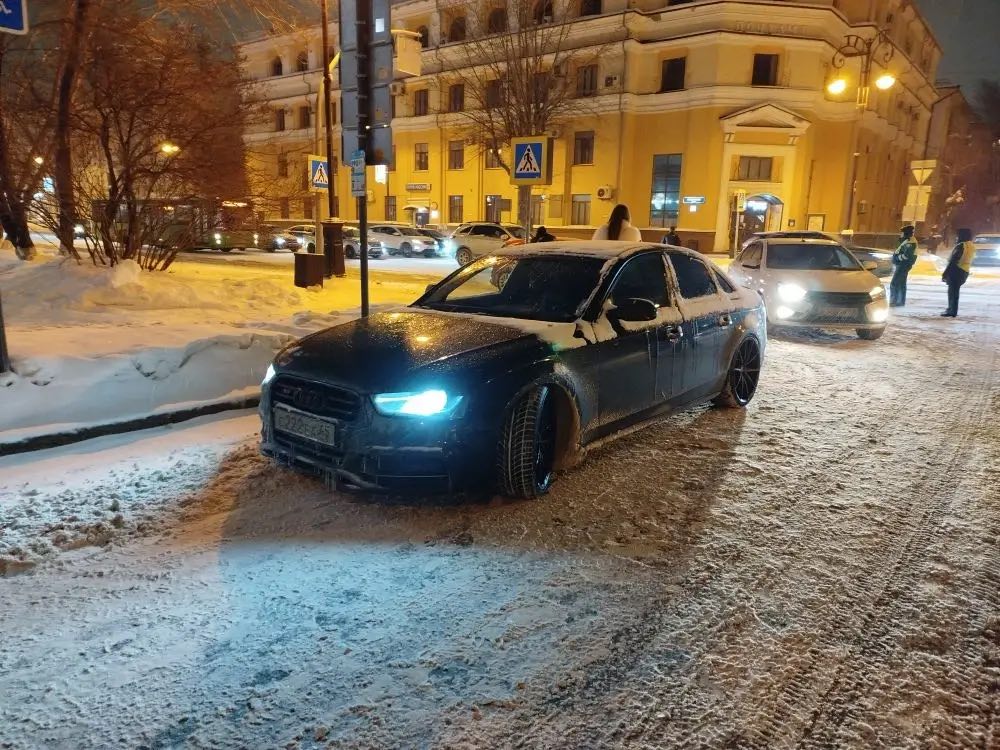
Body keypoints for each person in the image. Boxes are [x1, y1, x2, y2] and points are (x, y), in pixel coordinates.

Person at [941, 228, 977, 318]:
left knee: (952, 292)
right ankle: (952, 310)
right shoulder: (971, 245)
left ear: (962, 236)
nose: (957, 237)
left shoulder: (961, 246)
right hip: (965, 271)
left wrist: (945, 272)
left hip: (956, 270)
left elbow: (953, 260)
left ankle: (952, 311)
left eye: (958, 235)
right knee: (955, 291)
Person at [889, 225, 918, 307]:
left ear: (906, 233)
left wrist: (897, 258)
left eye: (902, 233)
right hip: (903, 264)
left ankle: (894, 301)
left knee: (894, 283)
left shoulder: (910, 242)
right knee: (901, 283)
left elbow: (906, 255)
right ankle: (900, 301)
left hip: (903, 265)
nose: (901, 234)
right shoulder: (908, 240)